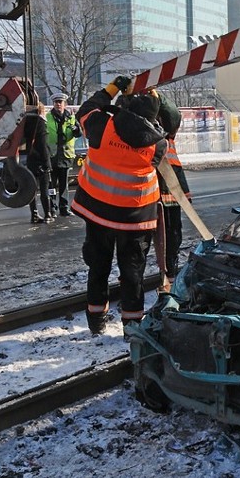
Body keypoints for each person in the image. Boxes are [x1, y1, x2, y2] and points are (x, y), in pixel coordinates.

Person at [72, 76, 168, 334]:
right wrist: (155, 99)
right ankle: (132, 326)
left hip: (98, 212)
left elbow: (85, 109)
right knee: (132, 273)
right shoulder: (157, 143)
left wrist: (111, 90)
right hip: (136, 219)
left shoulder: (102, 125)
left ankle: (96, 322)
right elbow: (167, 121)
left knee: (98, 266)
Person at [154, 97, 190, 292]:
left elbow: (173, 116)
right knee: (162, 238)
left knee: (172, 236)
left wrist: (157, 97)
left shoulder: (166, 135)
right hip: (157, 195)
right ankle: (166, 277)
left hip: (171, 194)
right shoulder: (147, 133)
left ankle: (169, 276)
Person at [46, 93, 81, 217]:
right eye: (56, 102)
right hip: (52, 156)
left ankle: (64, 208)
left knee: (64, 185)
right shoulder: (48, 117)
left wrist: (76, 129)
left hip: (65, 156)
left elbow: (78, 133)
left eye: (60, 102)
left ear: (64, 104)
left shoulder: (71, 117)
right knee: (51, 185)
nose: (58, 104)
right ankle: (52, 209)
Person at [23, 103, 53, 224]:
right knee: (45, 190)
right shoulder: (40, 124)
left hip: (30, 160)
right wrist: (47, 164)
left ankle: (34, 214)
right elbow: (43, 145)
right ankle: (48, 214)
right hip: (41, 161)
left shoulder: (25, 123)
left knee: (32, 189)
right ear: (40, 111)